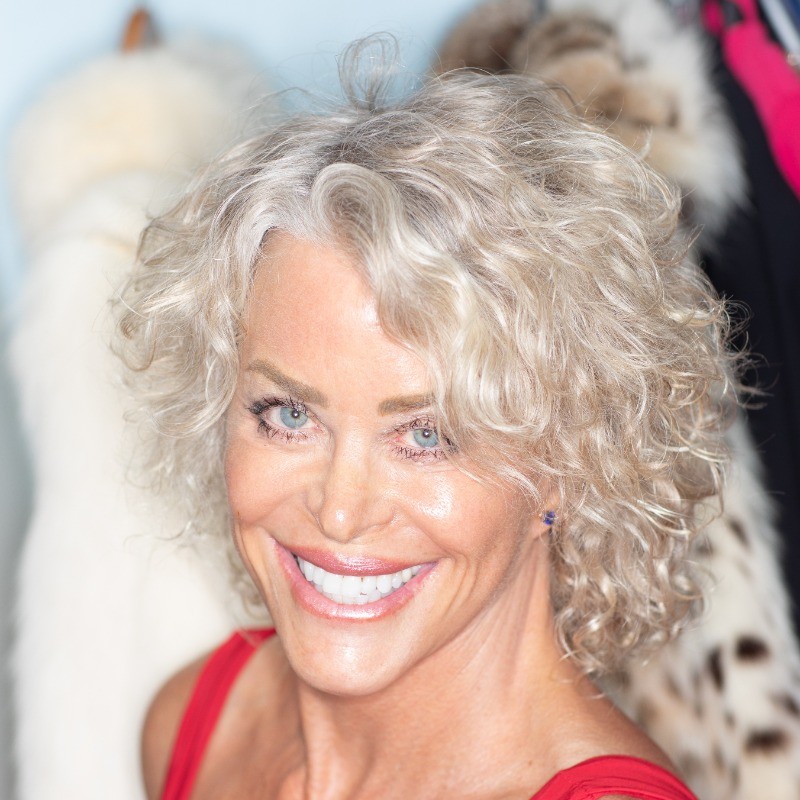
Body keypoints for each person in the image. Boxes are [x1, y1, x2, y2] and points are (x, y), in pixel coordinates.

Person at [118, 48, 736, 800]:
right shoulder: (194, 720)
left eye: (427, 436)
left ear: (569, 462)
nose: (340, 511)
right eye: (289, 415)